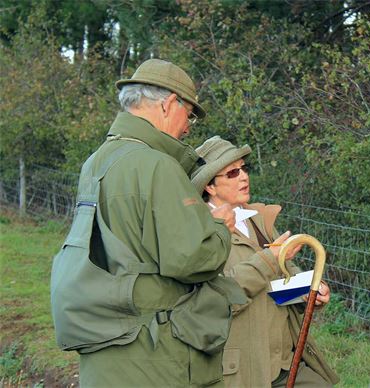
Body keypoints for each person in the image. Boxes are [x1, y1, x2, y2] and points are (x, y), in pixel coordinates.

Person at [50, 59, 241, 387]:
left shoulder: (97, 161)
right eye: (189, 113)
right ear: (169, 104)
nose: (188, 126)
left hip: (109, 340)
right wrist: (219, 228)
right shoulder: (156, 165)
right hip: (154, 352)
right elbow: (192, 258)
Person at [191, 136, 339, 388]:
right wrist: (268, 260)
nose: (244, 177)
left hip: (284, 362)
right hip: (243, 371)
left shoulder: (256, 219)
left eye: (244, 169)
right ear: (210, 187)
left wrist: (309, 291)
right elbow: (220, 297)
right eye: (232, 173)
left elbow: (283, 271)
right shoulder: (199, 229)